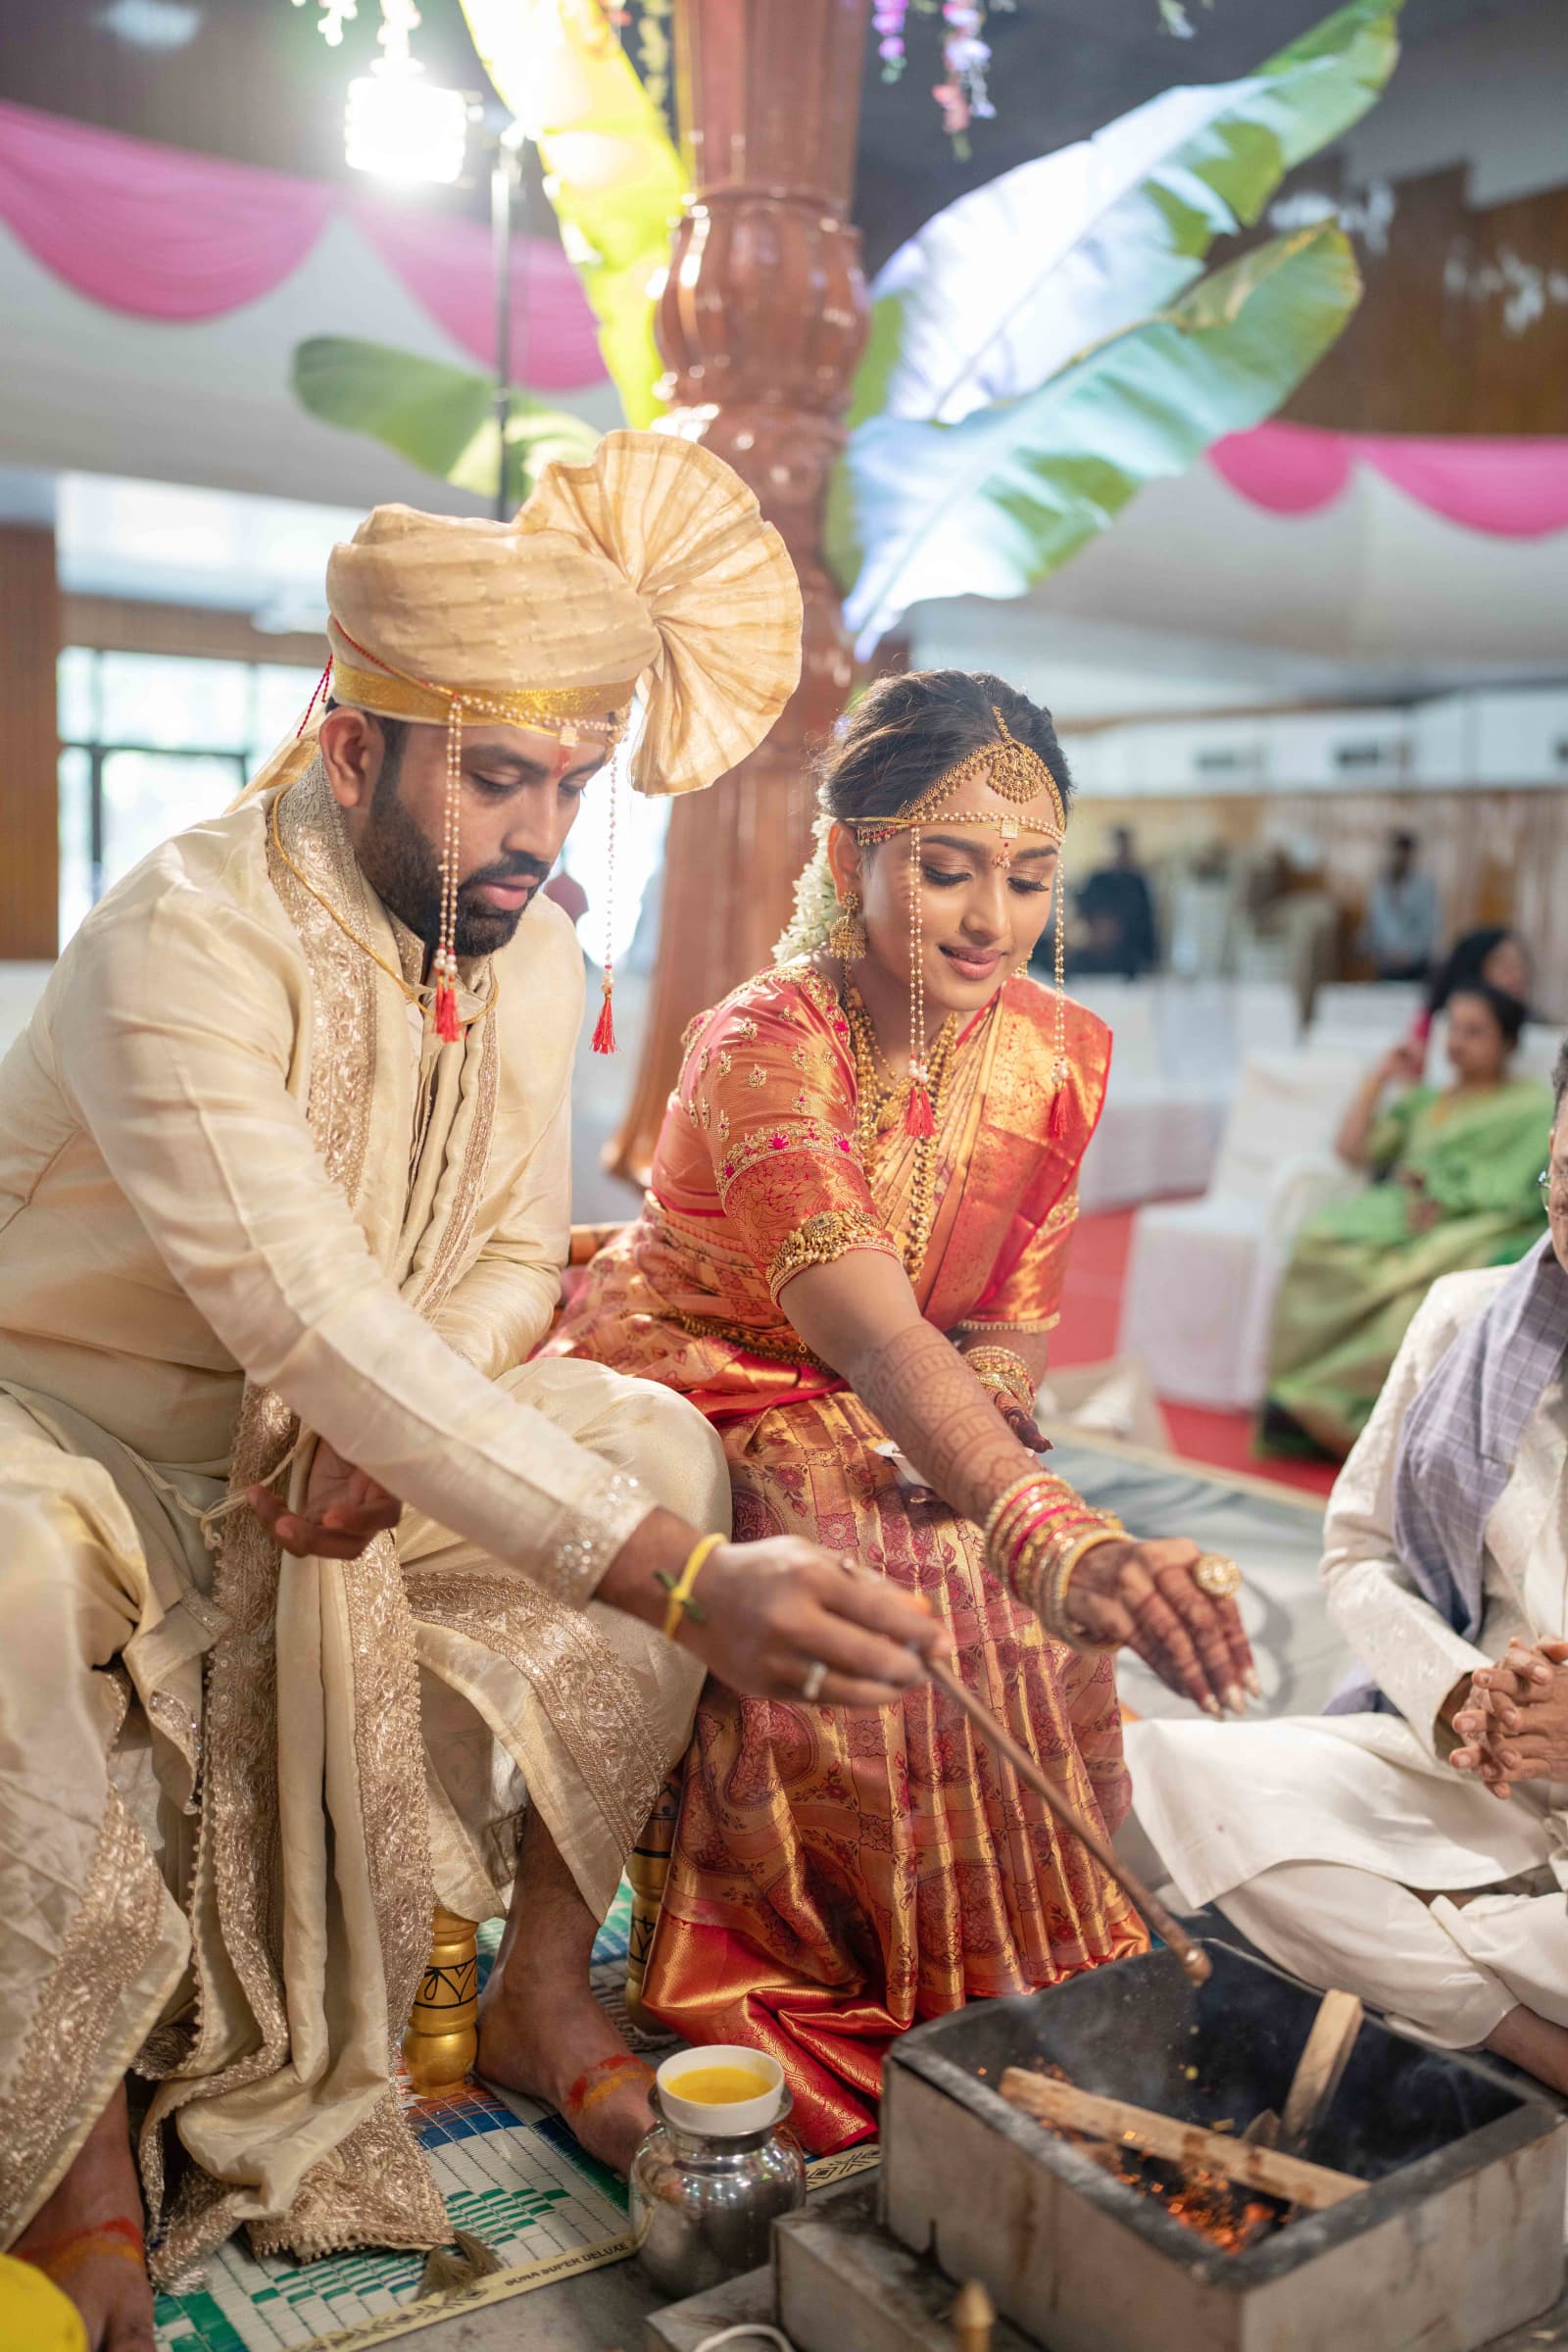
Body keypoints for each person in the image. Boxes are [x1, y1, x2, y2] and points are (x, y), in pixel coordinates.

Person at [0, 432, 950, 2352]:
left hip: (348, 1428)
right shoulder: (183, 939)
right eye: (495, 775)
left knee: (652, 1434)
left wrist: (403, 1414)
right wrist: (683, 1582)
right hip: (85, 1446)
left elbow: (517, 1254)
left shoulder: (526, 951)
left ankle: (536, 1987)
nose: (540, 828)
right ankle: (70, 2155)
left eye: (573, 781)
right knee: (5, 1584)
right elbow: (304, 1316)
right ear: (353, 748)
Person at [548, 670, 1254, 2151]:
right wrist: (1039, 1528)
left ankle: (1008, 1987)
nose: (991, 918)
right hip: (715, 1363)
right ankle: (812, 1970)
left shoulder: (1060, 1052)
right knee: (868, 1544)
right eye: (947, 869)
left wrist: (990, 1429)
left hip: (902, 1390)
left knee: (989, 1568)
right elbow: (864, 1326)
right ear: (847, 852)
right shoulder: (762, 1040)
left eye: (1027, 878)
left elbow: (1006, 1325)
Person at [1129, 1040, 1568, 2097]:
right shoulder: (1466, 1320)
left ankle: (1430, 1950)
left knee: (1233, 1883)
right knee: (1177, 1777)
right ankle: (1523, 2028)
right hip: (1475, 1772)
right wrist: (1460, 1690)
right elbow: (1358, 1553)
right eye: (1565, 1180)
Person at [1263, 982, 1550, 1459]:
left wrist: (1444, 1195)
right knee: (1319, 1241)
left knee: (1414, 1290)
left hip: (1475, 1224)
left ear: (1507, 1043)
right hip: (1405, 1216)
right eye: (1453, 1028)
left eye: (1475, 1032)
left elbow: (1523, 1185)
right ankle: (1298, 1398)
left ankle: (1342, 1413)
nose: (1457, 1042)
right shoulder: (1428, 1100)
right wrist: (1379, 1078)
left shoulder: (1532, 1106)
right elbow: (1352, 1150)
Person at [1072, 825, 1157, 979]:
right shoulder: (1095, 881)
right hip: (1094, 959)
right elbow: (1079, 915)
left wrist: (1150, 959)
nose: (1119, 852)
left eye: (1122, 847)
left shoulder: (1137, 883)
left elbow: (1147, 924)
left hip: (1127, 960)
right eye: (1115, 847)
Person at [1361, 829, 1440, 984]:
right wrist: (1368, 946)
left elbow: (1430, 926)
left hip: (1415, 964)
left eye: (1404, 854)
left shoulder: (1424, 886)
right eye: (1396, 853)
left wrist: (1409, 953)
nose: (1399, 858)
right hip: (1386, 963)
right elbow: (1374, 922)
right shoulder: (1380, 886)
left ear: (1410, 855)